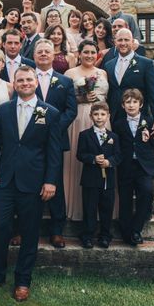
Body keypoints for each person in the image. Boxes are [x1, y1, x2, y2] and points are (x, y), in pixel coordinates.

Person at [0, 65, 63, 302]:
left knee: (29, 232)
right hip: (4, 181)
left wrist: (50, 181)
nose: (25, 83)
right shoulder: (4, 110)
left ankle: (23, 281)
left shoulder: (49, 113)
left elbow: (54, 151)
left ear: (36, 82)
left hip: (34, 183)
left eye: (29, 80)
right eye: (20, 80)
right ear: (14, 84)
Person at [32, 39, 77, 248]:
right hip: (30, 138)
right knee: (29, 182)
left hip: (56, 138)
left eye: (46, 52)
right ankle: (24, 228)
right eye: (39, 51)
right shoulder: (26, 78)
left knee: (54, 181)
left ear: (53, 56)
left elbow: (71, 111)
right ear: (34, 55)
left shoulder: (65, 82)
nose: (43, 55)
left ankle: (57, 230)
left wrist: (55, 128)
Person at [63, 40, 110, 221]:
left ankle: (100, 209)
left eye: (92, 52)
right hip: (79, 117)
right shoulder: (70, 73)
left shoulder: (103, 72)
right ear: (79, 54)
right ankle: (74, 206)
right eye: (86, 52)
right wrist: (81, 98)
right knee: (79, 158)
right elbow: (66, 99)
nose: (89, 55)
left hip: (102, 119)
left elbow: (108, 96)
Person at [113, 88, 154, 247]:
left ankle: (136, 229)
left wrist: (147, 142)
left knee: (146, 192)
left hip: (143, 166)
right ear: (123, 105)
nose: (131, 105)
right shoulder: (117, 123)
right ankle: (126, 232)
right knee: (125, 199)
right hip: (125, 166)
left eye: (134, 102)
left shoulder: (149, 121)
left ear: (141, 104)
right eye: (128, 102)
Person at [76, 102, 121, 249]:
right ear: (91, 116)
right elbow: (80, 154)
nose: (99, 117)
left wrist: (109, 162)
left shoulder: (113, 136)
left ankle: (105, 236)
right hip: (90, 179)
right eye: (96, 114)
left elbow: (119, 156)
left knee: (106, 209)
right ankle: (87, 236)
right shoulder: (84, 135)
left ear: (108, 116)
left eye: (102, 114)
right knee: (89, 208)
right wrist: (93, 159)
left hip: (108, 180)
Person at [104, 29, 154, 136]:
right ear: (115, 42)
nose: (123, 43)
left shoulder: (146, 64)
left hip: (139, 118)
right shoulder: (109, 65)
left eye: (126, 40)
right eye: (120, 40)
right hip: (115, 118)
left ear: (132, 42)